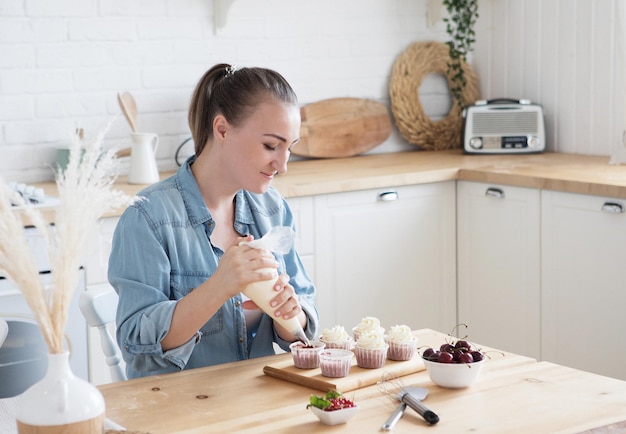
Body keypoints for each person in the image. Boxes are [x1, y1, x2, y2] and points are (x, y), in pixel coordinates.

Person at [108, 63, 319, 379]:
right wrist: (220, 286)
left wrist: (289, 316)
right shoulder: (148, 217)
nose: (282, 165)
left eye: (289, 148)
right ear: (222, 129)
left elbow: (302, 327)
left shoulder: (272, 209)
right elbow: (137, 345)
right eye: (270, 146)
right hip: (178, 410)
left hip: (254, 398)